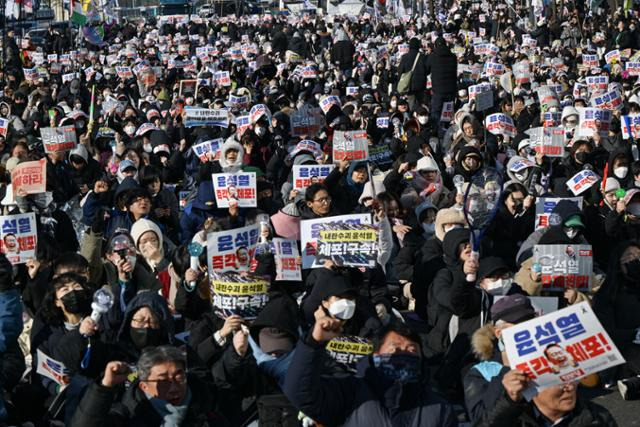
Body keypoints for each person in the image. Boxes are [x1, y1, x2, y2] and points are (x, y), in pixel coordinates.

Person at [284, 318, 457, 426]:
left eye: (412, 351)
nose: (403, 354)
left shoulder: (440, 409)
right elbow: (300, 392)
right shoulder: (351, 392)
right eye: (395, 349)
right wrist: (314, 344)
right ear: (375, 355)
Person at [70, 345, 229, 426]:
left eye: (179, 377)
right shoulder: (128, 416)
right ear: (144, 386)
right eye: (163, 381)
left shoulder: (209, 414)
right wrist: (104, 387)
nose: (173, 388)